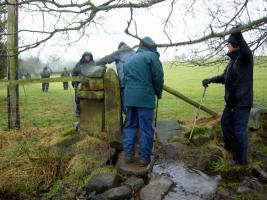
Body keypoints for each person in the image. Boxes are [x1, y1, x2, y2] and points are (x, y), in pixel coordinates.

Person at [202, 31, 253, 165]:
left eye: (228, 44)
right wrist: (210, 80)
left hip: (242, 102)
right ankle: (231, 150)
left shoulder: (244, 59)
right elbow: (224, 77)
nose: (227, 46)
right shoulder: (232, 61)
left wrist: (239, 37)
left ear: (234, 44)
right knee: (225, 124)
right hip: (231, 103)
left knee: (239, 130)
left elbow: (247, 51)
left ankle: (241, 161)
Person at [123, 36, 164, 166]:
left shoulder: (130, 59)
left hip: (129, 98)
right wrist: (158, 92)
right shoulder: (152, 57)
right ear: (152, 47)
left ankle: (128, 155)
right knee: (146, 128)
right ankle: (144, 158)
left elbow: (125, 79)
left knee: (130, 126)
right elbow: (158, 77)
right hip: (145, 98)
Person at [96, 42, 135, 113]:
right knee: (134, 105)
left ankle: (129, 122)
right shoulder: (134, 52)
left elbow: (107, 58)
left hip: (125, 82)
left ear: (119, 47)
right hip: (136, 82)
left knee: (126, 107)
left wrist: (95, 64)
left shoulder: (120, 51)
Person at [72, 51, 94, 117]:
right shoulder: (79, 64)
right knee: (78, 97)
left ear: (91, 57)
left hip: (89, 83)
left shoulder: (93, 64)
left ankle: (89, 110)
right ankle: (78, 110)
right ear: (84, 56)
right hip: (79, 82)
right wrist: (74, 81)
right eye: (86, 56)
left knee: (89, 96)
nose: (87, 57)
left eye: (89, 56)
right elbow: (74, 73)